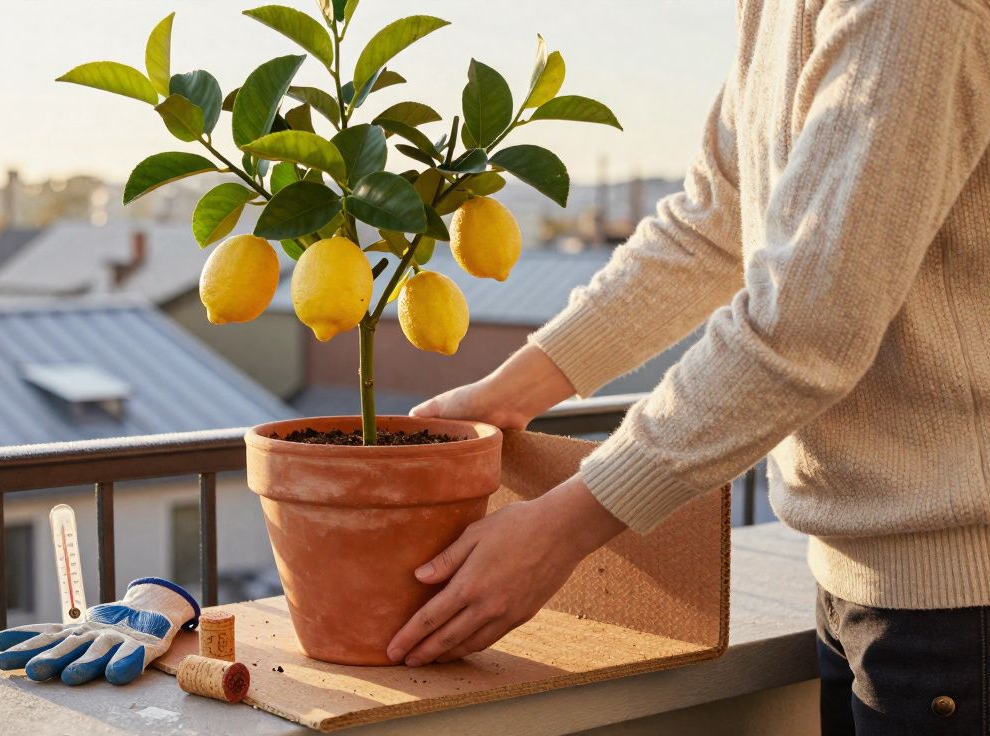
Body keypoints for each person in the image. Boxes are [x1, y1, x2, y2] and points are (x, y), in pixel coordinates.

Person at [385, 1, 990, 733]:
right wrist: (507, 394)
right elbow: (711, 226)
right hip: (859, 582)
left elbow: (806, 324)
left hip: (957, 606)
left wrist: (561, 530)